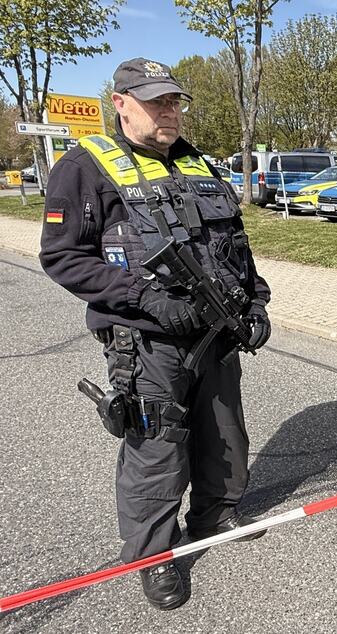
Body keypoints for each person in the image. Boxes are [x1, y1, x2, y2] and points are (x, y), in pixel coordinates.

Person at [39, 58, 271, 611]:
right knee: (156, 449)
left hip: (214, 332)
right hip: (146, 342)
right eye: (155, 102)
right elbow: (62, 257)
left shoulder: (196, 163)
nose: (169, 111)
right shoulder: (84, 167)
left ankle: (214, 513)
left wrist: (257, 299)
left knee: (223, 434)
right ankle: (152, 556)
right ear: (120, 103)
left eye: (173, 102)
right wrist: (146, 299)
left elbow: (234, 244)